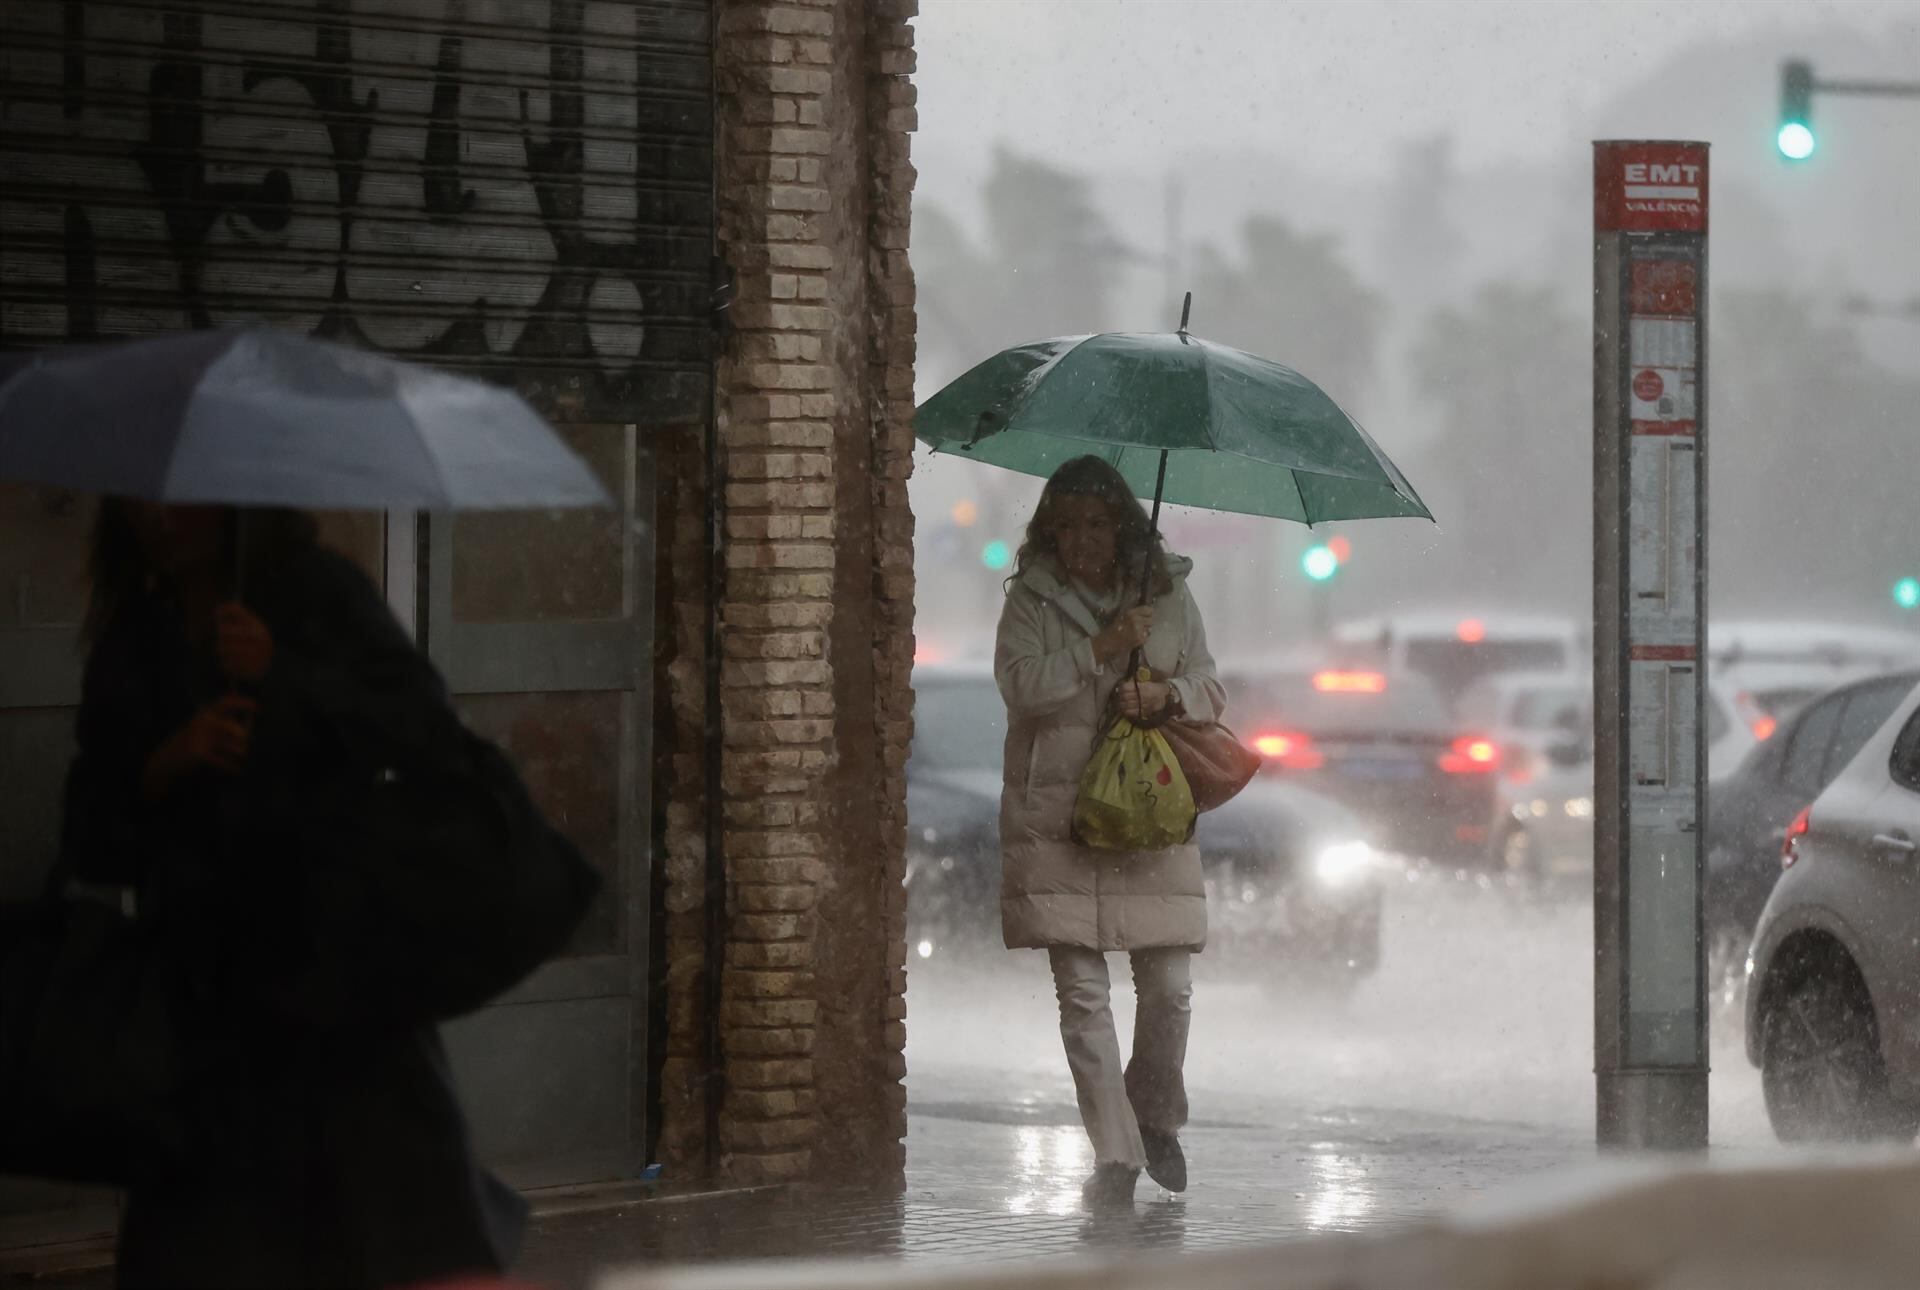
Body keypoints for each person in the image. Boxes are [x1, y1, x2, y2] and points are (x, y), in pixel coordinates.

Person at [58, 501, 525, 1289]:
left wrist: (286, 674)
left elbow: (423, 737)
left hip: (337, 989)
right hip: (202, 1009)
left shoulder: (318, 598)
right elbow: (92, 834)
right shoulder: (137, 637)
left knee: (372, 1237)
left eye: (185, 502)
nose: (161, 520)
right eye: (140, 500)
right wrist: (164, 763)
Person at [992, 455, 1227, 1206]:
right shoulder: (1030, 599)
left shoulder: (1169, 595)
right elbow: (1020, 684)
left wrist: (1164, 693)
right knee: (1082, 995)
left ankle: (1154, 1116)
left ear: (1122, 524)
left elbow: (1211, 691)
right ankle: (1116, 1156)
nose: (1080, 539)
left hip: (1147, 816)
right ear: (1047, 531)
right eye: (1065, 525)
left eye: (1095, 522)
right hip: (1058, 818)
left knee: (1170, 987)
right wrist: (1096, 650)